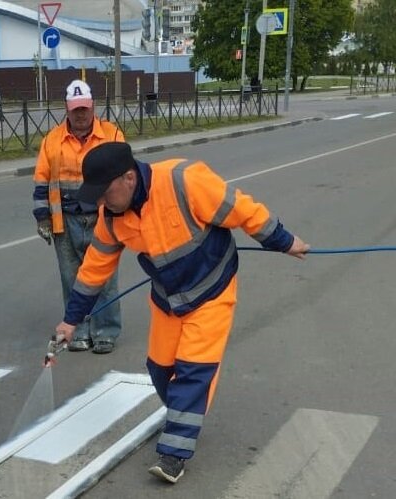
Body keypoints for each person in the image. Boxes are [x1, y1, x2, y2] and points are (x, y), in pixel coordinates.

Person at [55, 142, 310, 483]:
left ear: (129, 178)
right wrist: (71, 320)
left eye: (105, 194)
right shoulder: (112, 220)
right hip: (168, 299)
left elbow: (244, 210)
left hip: (212, 291)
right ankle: (181, 414)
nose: (100, 203)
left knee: (193, 371)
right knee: (160, 370)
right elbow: (93, 271)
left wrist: (285, 241)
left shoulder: (183, 181)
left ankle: (173, 455)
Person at [32, 79, 124, 354]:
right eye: (75, 110)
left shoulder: (111, 135)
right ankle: (80, 331)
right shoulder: (53, 141)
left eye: (85, 108)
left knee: (104, 278)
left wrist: (123, 214)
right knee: (72, 279)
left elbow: (123, 177)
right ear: (67, 109)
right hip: (66, 223)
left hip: (102, 221)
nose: (81, 115)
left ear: (93, 106)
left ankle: (106, 331)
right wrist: (42, 218)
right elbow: (41, 181)